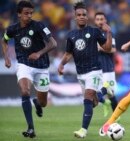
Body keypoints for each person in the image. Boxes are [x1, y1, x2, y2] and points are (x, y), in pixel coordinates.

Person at [1, 0, 57, 138]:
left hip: (42, 66)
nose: (29, 16)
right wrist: (7, 58)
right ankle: (31, 128)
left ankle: (37, 102)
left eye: (31, 13)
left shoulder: (39, 26)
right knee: (25, 91)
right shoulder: (13, 29)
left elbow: (53, 43)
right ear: (19, 14)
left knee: (43, 103)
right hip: (24, 64)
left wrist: (39, 53)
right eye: (26, 13)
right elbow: (4, 40)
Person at [57, 1, 112, 138]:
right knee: (93, 103)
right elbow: (68, 53)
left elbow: (107, 48)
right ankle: (105, 89)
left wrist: (109, 32)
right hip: (80, 74)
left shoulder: (94, 31)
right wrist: (61, 64)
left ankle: (83, 130)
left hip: (94, 70)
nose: (81, 16)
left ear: (87, 17)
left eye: (84, 14)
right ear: (75, 17)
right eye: (79, 15)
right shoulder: (71, 35)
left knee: (87, 98)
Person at [94, 11, 118, 118]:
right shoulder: (92, 34)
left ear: (105, 20)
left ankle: (116, 116)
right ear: (95, 21)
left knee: (111, 95)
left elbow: (113, 50)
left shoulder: (108, 33)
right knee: (95, 93)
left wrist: (101, 48)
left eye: (101, 19)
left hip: (108, 69)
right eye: (98, 19)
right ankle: (104, 103)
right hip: (95, 69)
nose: (100, 21)